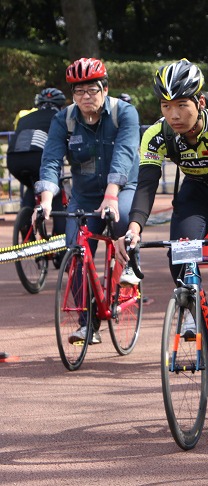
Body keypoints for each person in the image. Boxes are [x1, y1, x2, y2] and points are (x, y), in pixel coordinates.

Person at [112, 59, 208, 408]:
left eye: (182, 105)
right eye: (166, 106)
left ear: (200, 103)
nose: (174, 114)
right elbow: (146, 187)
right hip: (195, 193)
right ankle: (192, 307)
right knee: (180, 251)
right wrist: (134, 227)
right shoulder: (158, 134)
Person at [35, 58, 139, 345]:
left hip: (123, 186)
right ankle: (87, 322)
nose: (85, 98)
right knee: (76, 253)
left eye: (92, 90)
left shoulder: (124, 113)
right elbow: (52, 158)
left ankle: (130, 265)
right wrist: (45, 200)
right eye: (78, 92)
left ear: (105, 89)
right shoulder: (64, 119)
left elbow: (125, 152)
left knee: (124, 218)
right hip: (84, 194)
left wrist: (112, 194)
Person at [7, 88, 67, 236]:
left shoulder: (25, 117)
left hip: (13, 159)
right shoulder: (59, 116)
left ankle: (25, 223)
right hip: (37, 157)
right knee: (56, 191)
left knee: (32, 187)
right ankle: (58, 243)